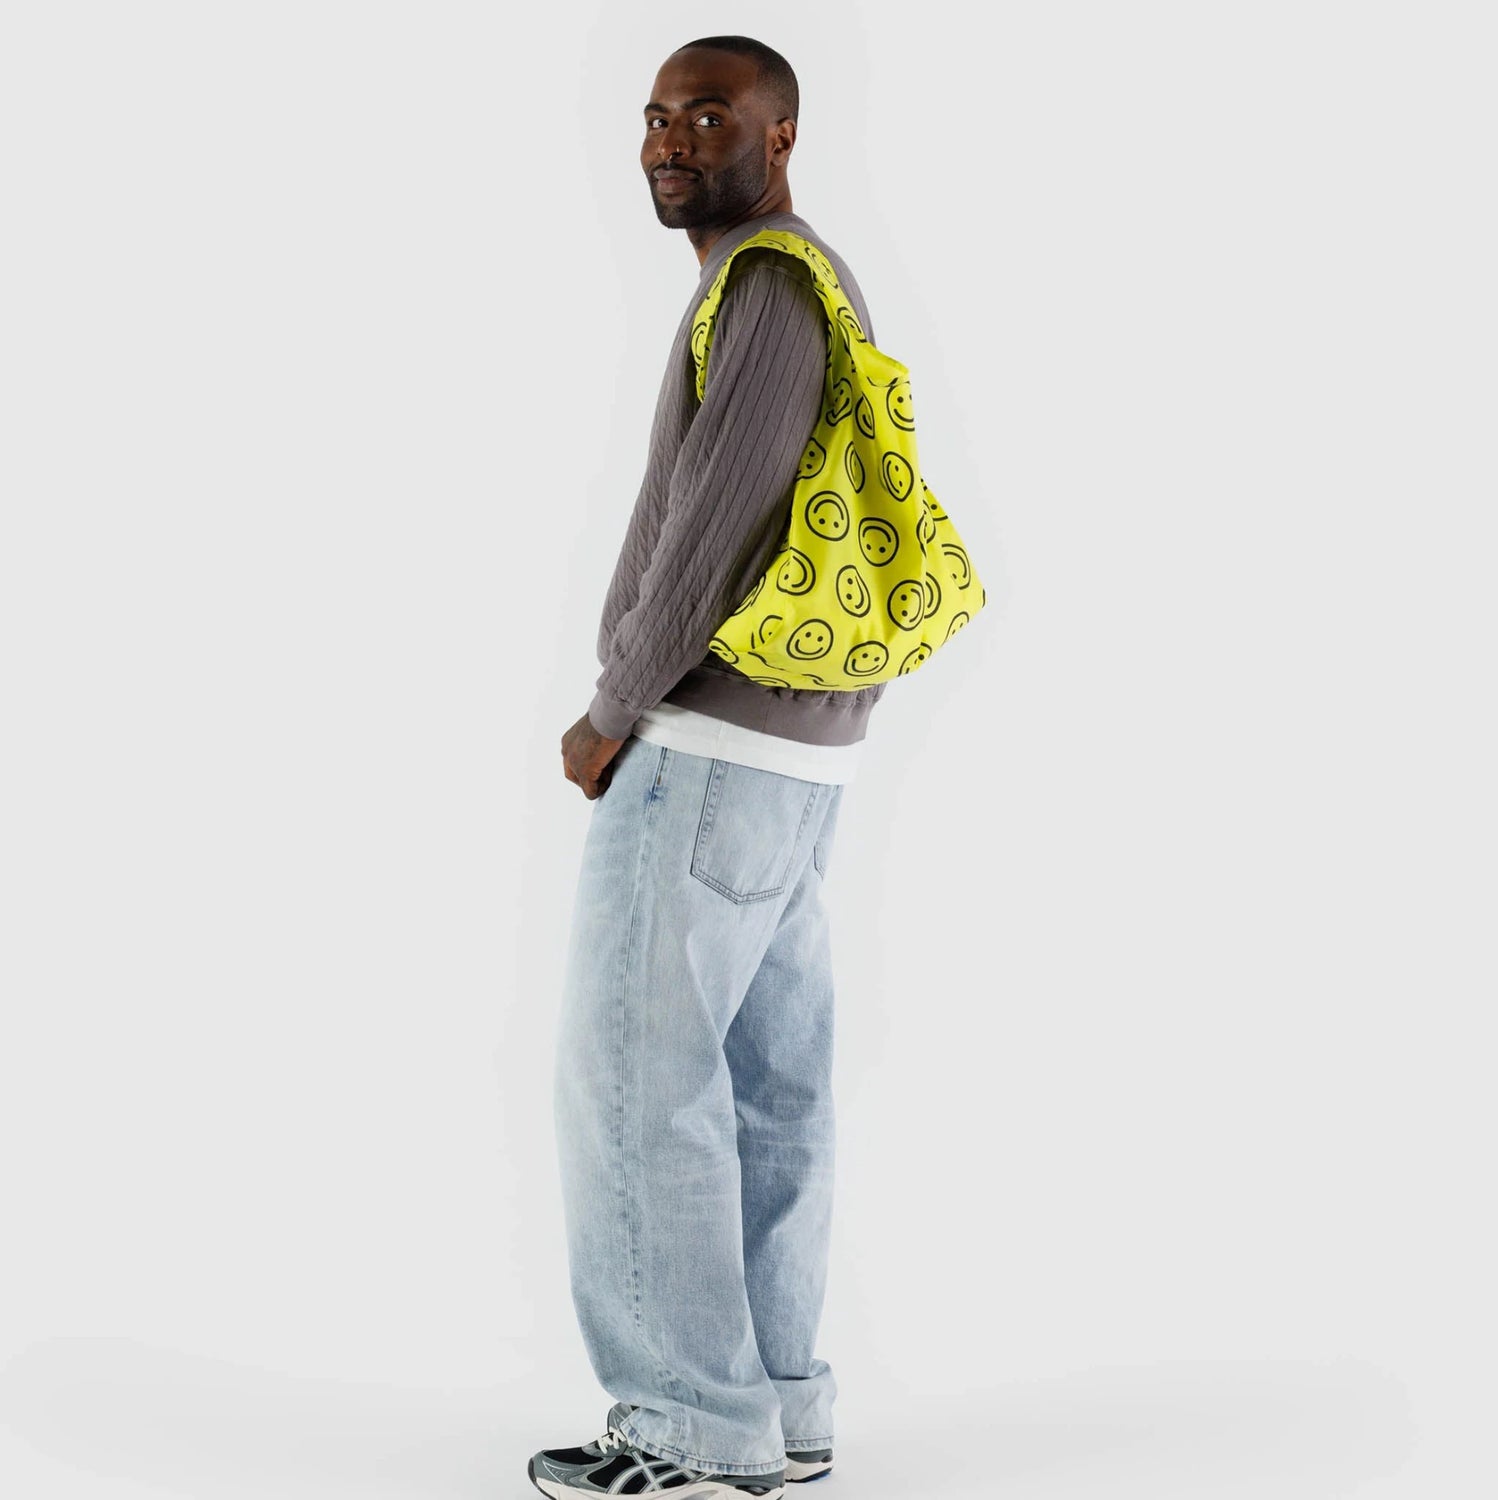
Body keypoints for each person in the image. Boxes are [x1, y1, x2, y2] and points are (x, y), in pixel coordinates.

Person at [532, 34, 886, 1500]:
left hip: (705, 745)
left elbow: (718, 523)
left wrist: (617, 700)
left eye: (710, 115)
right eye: (659, 115)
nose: (672, 139)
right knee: (762, 1088)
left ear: (780, 133)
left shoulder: (765, 286)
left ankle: (684, 1424)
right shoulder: (786, 282)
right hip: (795, 762)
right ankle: (778, 1413)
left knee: (633, 1085)